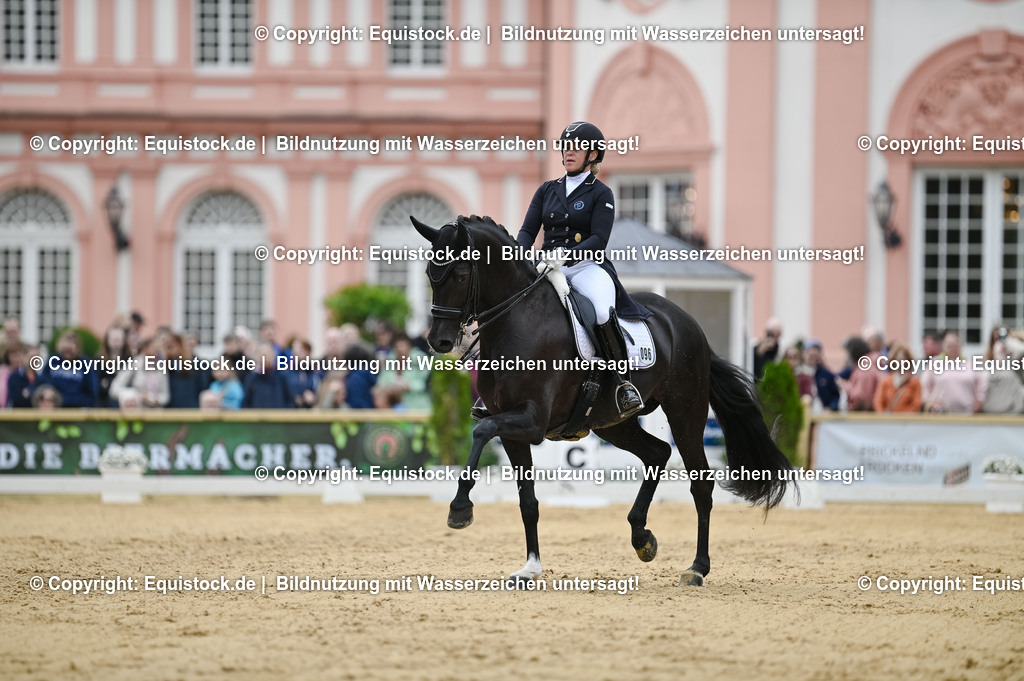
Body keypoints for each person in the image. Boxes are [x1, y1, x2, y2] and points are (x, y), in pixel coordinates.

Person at [515, 121, 645, 418]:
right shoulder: (547, 190)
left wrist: (566, 255)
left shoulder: (602, 194)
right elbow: (527, 232)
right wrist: (519, 256)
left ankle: (622, 383)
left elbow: (599, 239)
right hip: (547, 267)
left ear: (593, 155)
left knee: (600, 310)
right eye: (566, 147)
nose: (569, 152)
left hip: (586, 267)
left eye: (577, 147)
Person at [921, 330, 987, 413]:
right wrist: (928, 403)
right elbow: (925, 385)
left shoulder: (971, 364)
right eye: (949, 345)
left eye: (955, 344)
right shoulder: (934, 363)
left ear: (961, 345)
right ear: (943, 346)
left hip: (967, 414)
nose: (952, 347)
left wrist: (979, 400)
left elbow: (982, 384)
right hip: (940, 414)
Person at [36, 331, 98, 407]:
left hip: (77, 408)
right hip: (54, 407)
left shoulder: (85, 363)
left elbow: (92, 391)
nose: (67, 354)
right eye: (65, 350)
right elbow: (43, 383)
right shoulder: (53, 360)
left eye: (70, 351)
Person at [873, 343, 923, 413]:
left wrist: (901, 416)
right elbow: (878, 401)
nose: (900, 363)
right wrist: (883, 416)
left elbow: (916, 404)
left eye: (903, 359)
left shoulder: (914, 382)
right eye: (897, 359)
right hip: (888, 421)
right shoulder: (885, 381)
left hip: (907, 421)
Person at [804, 339, 840, 411]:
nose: (812, 358)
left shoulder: (826, 374)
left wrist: (831, 407)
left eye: (815, 355)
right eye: (810, 355)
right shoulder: (800, 373)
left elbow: (836, 395)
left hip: (824, 413)